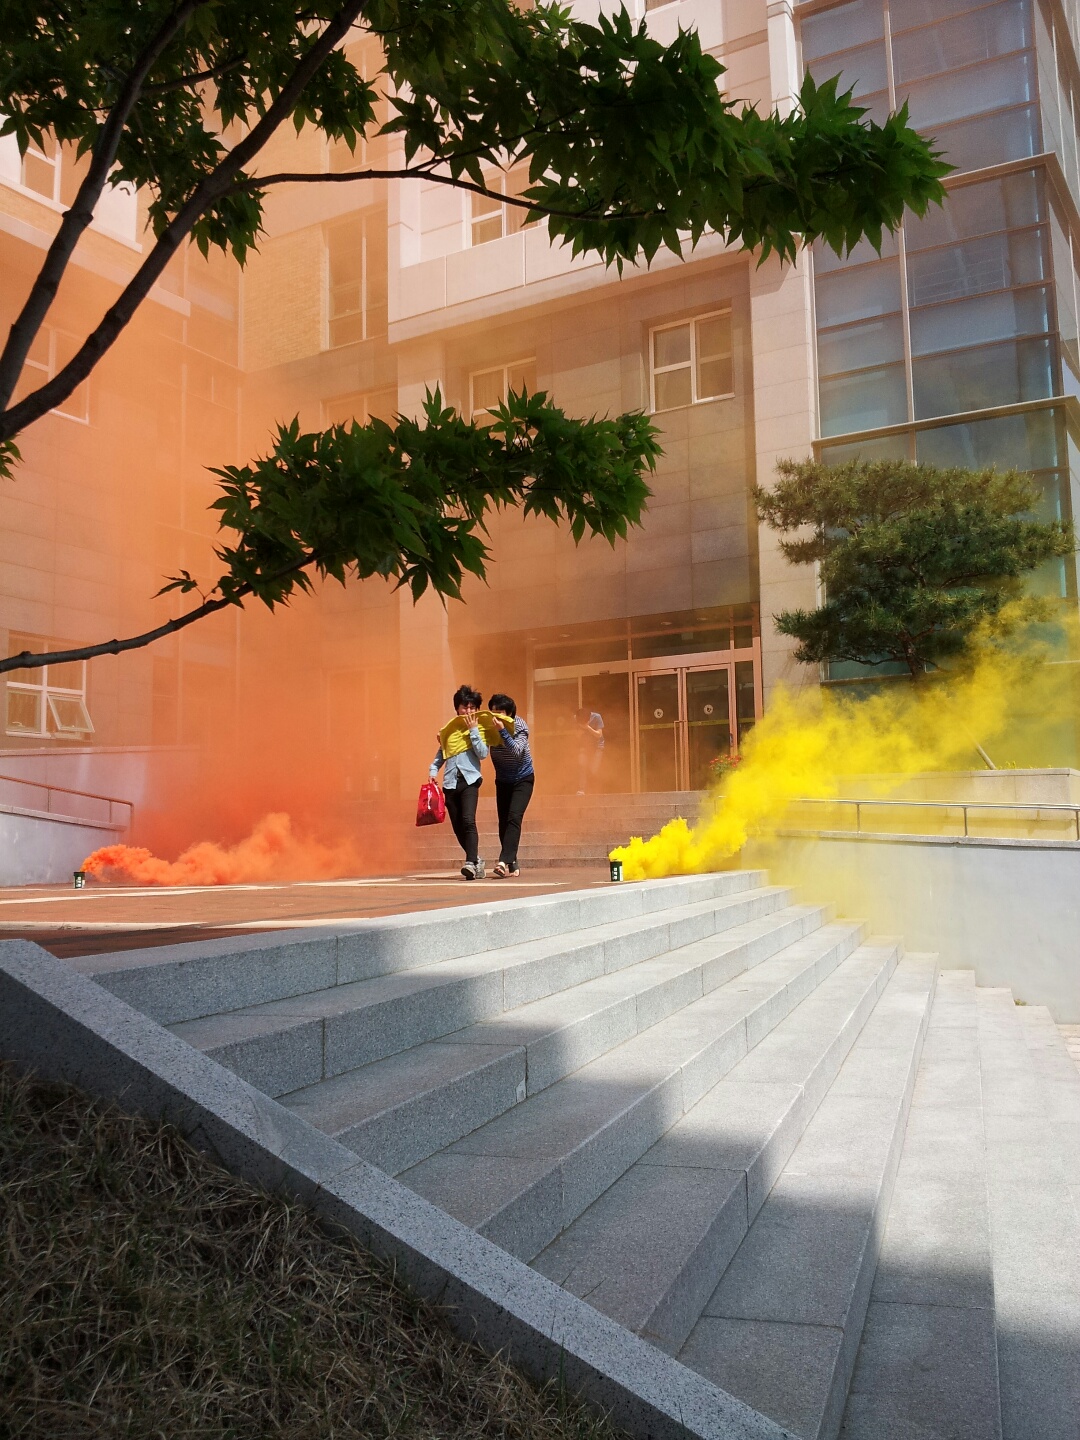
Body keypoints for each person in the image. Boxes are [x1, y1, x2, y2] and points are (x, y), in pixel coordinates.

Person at [430, 685, 489, 879]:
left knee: (468, 820)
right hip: (450, 784)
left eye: (472, 707)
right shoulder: (450, 731)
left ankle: (470, 863)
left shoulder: (480, 729)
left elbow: (483, 753)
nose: (468, 711)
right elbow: (442, 753)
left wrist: (473, 731)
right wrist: (433, 770)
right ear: (457, 708)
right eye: (465, 707)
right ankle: (476, 860)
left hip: (469, 781)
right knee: (457, 826)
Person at [487, 692, 534, 878]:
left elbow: (516, 751)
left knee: (514, 817)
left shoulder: (520, 726)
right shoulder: (488, 725)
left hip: (523, 778)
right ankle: (512, 860)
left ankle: (502, 861)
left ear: (510, 713)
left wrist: (502, 732)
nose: (496, 716)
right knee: (503, 822)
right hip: (503, 780)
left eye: (500, 713)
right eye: (493, 712)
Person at [575, 706, 604, 794]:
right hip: (584, 746)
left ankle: (594, 790)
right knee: (582, 766)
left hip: (597, 746)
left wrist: (587, 727)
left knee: (593, 769)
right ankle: (582, 789)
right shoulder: (576, 718)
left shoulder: (597, 717)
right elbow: (576, 735)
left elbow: (599, 735)